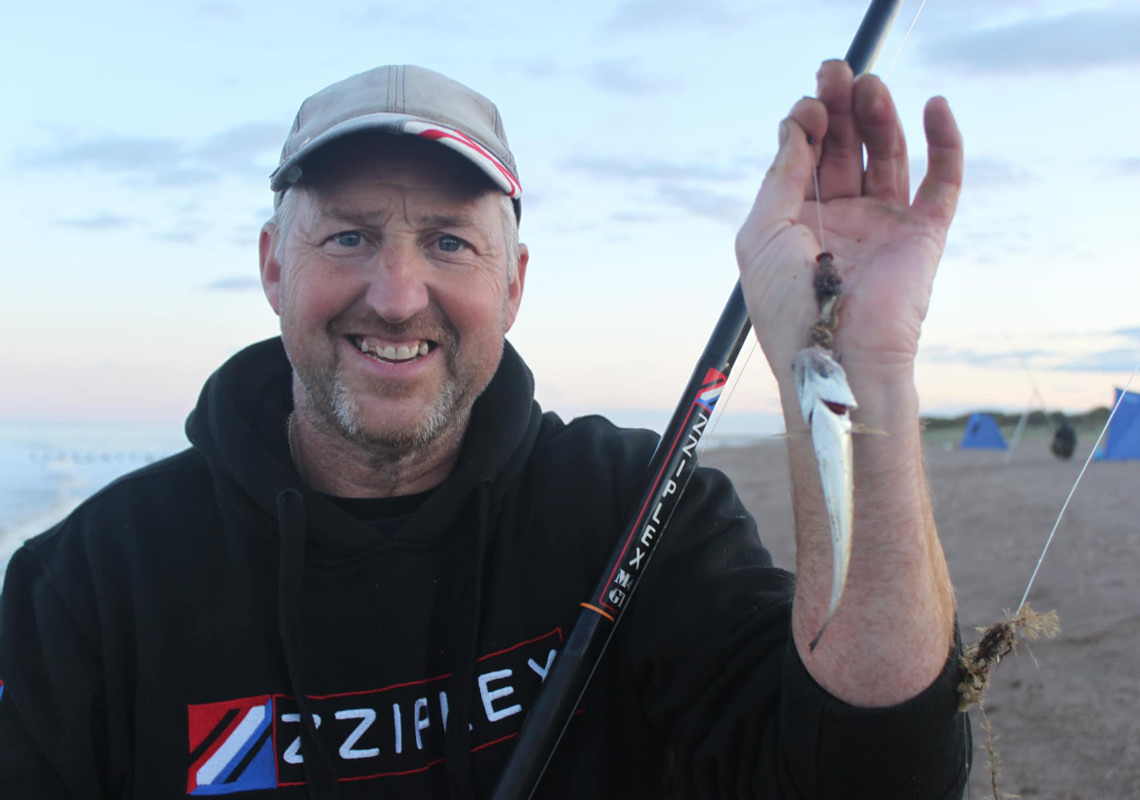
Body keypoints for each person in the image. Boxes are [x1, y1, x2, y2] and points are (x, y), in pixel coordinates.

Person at [0, 62, 970, 798]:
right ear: (271, 266)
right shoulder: (85, 585)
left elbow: (878, 771)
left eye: (450, 241)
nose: (395, 293)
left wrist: (855, 364)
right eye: (348, 234)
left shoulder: (635, 504)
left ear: (512, 283)